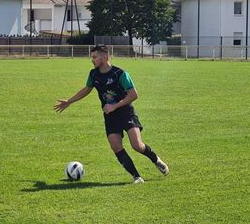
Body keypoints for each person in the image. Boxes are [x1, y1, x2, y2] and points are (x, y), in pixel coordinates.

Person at [53, 44, 168, 184]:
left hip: (126, 112)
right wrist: (69, 101)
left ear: (105, 57)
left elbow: (133, 95)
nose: (92, 60)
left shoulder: (120, 74)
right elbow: (87, 89)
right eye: (92, 57)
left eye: (95, 57)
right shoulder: (93, 74)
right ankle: (137, 177)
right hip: (110, 116)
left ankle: (156, 160)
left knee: (137, 145)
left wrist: (115, 106)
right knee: (115, 146)